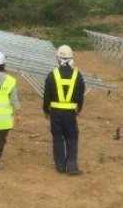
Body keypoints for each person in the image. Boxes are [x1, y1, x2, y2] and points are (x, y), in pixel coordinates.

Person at [43, 45, 86, 175]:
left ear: (58, 58)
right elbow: (80, 94)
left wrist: (46, 110)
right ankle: (72, 165)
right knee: (72, 137)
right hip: (70, 114)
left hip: (55, 113)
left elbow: (47, 95)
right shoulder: (77, 75)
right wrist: (79, 108)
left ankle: (60, 166)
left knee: (57, 137)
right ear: (71, 58)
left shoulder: (52, 75)